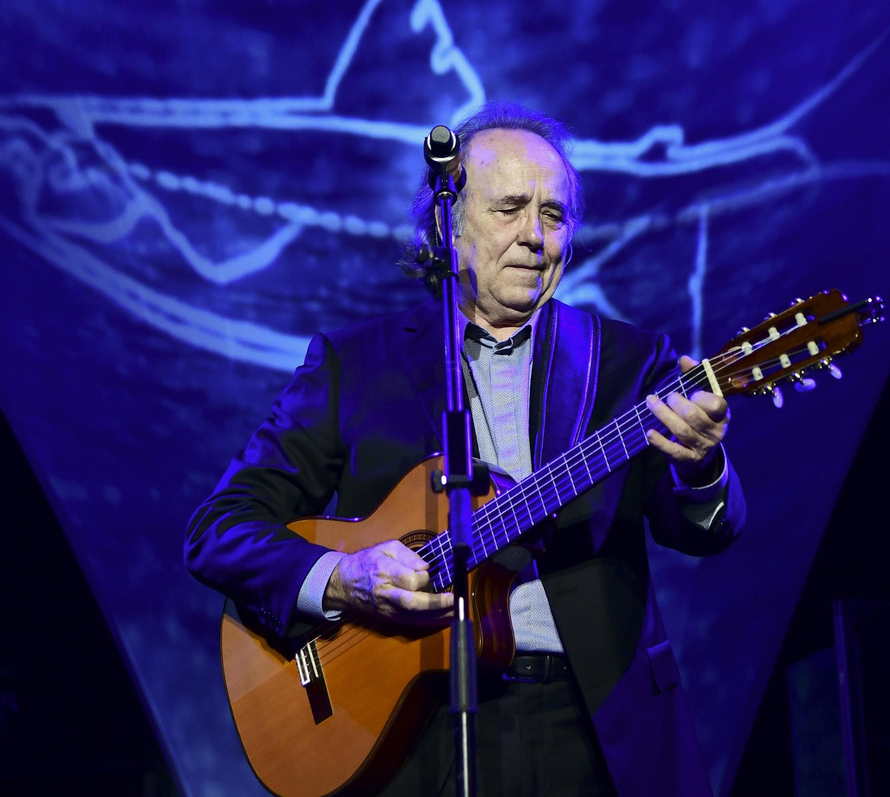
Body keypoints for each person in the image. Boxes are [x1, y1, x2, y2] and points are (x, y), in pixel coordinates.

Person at [185, 102, 746, 797]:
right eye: (510, 208)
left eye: (554, 215)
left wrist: (701, 466)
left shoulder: (632, 363)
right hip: (408, 737)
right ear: (449, 224)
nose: (535, 237)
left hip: (594, 727)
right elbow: (220, 530)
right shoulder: (353, 364)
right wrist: (341, 576)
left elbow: (706, 529)